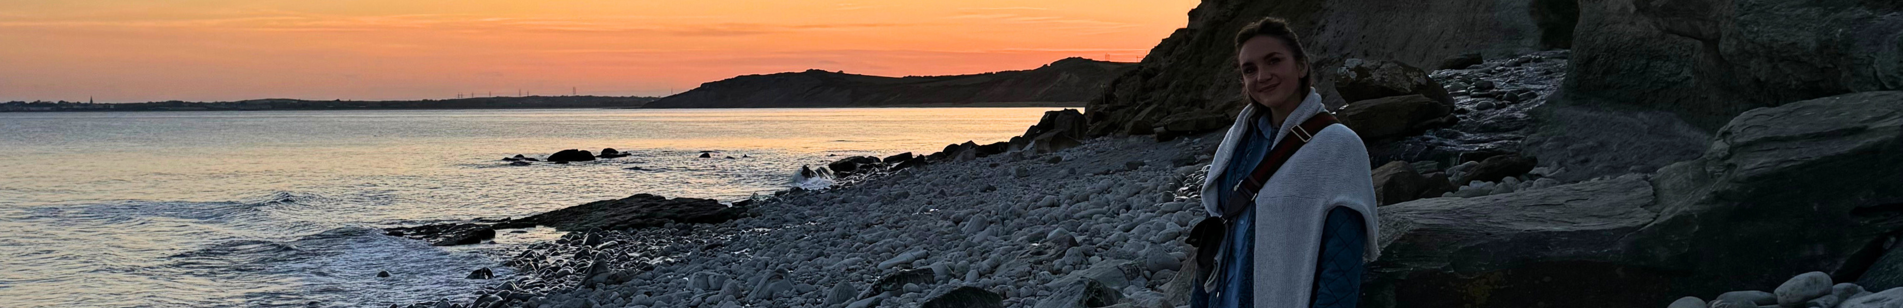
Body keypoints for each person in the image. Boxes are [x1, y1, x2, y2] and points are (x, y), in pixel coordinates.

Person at [1190, 17, 1380, 308]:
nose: (1262, 76)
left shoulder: (1338, 146)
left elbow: (1341, 262)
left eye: (1274, 61)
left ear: (1301, 66)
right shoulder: (1237, 143)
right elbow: (1217, 240)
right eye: (1249, 69)